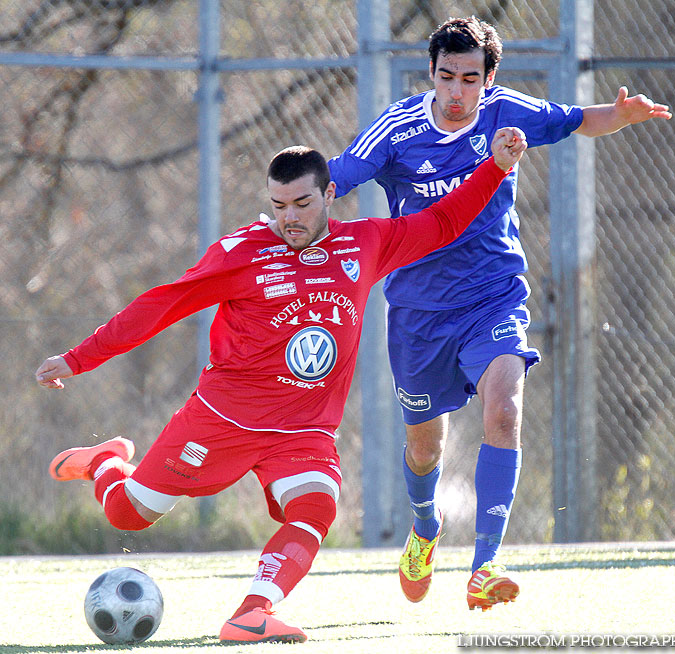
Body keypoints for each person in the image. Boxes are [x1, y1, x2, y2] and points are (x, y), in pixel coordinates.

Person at [36, 130, 526, 643]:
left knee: (317, 505)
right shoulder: (241, 253)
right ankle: (106, 462)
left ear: (330, 194)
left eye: (301, 203)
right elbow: (161, 305)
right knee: (127, 515)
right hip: (223, 420)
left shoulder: (365, 242)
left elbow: (443, 222)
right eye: (278, 205)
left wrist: (493, 167)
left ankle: (251, 612)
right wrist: (77, 359)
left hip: (304, 429)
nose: (289, 217)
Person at [328, 16, 672, 611]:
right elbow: (335, 176)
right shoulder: (398, 129)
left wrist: (619, 116)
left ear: (489, 79)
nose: (456, 91)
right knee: (425, 450)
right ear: (431, 75)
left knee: (505, 409)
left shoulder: (506, 111)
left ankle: (485, 564)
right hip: (417, 311)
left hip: (494, 295)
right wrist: (295, 204)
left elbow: (577, 119)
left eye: (469, 78)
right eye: (445, 77)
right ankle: (425, 527)